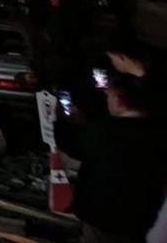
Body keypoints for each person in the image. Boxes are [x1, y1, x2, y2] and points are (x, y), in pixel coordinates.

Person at [57, 74, 167, 243]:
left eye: (108, 96)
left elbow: (70, 145)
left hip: (103, 218)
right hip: (146, 218)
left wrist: (60, 120)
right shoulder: (159, 133)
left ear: (118, 101)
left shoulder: (102, 130)